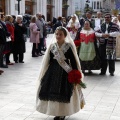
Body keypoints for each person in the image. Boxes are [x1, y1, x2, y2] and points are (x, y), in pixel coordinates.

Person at [36, 26, 85, 120]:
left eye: (60, 34)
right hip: (53, 70)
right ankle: (55, 111)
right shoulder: (52, 46)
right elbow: (48, 60)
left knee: (63, 91)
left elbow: (73, 61)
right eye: (57, 34)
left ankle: (63, 112)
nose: (58, 36)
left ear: (65, 36)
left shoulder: (69, 46)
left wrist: (75, 73)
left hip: (65, 72)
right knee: (52, 91)